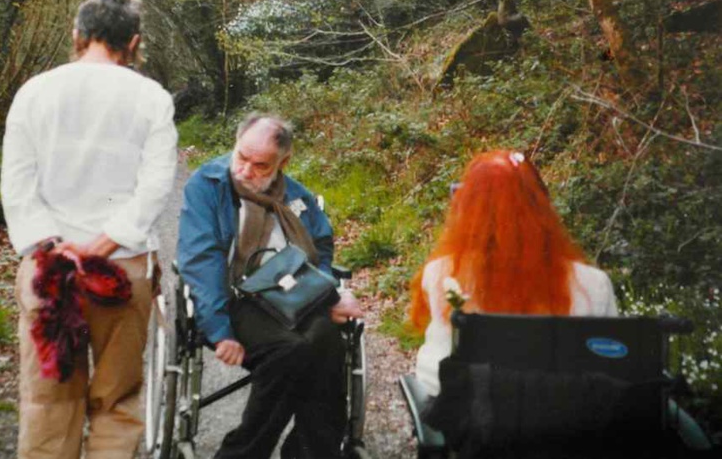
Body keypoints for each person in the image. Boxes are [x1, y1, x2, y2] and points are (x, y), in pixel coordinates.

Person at [0, 0, 178, 458]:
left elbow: (16, 184)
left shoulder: (34, 92)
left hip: (48, 269)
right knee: (117, 400)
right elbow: (156, 187)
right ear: (134, 42)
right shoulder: (151, 97)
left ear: (78, 33)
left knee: (47, 401)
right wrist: (103, 244)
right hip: (121, 270)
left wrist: (52, 245)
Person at [177, 113, 363, 459]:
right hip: (236, 299)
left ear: (283, 162)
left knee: (326, 343)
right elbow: (201, 262)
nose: (245, 171)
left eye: (260, 165)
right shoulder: (208, 185)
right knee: (290, 351)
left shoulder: (297, 196)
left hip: (293, 296)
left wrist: (328, 293)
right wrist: (220, 331)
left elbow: (321, 249)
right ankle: (242, 453)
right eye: (241, 157)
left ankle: (312, 452)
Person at [410, 150, 618, 396]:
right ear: (541, 207)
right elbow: (611, 364)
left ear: (467, 209)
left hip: (467, 419)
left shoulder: (442, 275)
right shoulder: (594, 284)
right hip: (565, 419)